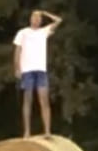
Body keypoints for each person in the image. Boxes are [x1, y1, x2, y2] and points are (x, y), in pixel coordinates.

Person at [12, 8, 63, 137]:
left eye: (38, 18)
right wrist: (17, 68)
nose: (36, 20)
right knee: (28, 100)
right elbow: (17, 51)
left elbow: (59, 20)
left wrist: (45, 13)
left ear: (41, 21)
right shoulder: (22, 33)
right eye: (34, 17)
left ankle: (47, 131)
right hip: (27, 70)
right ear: (30, 19)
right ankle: (27, 131)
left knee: (44, 100)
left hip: (41, 70)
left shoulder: (44, 32)